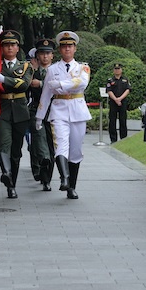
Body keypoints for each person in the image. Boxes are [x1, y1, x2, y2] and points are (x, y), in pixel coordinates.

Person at [35, 31, 91, 199]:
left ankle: (72, 186)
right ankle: (64, 178)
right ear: (59, 49)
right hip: (58, 110)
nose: (67, 49)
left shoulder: (83, 67)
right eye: (64, 46)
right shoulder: (52, 69)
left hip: (77, 110)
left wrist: (60, 84)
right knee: (60, 145)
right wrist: (39, 116)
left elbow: (81, 83)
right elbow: (46, 93)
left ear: (75, 49)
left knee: (75, 151)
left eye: (70, 46)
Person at [0, 30, 33, 199]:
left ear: (17, 47)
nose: (9, 48)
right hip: (2, 110)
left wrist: (3, 80)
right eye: (5, 44)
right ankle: (6, 174)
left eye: (12, 44)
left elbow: (23, 85)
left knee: (16, 151)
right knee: (4, 144)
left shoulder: (25, 66)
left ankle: (12, 183)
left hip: (20, 112)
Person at [28, 38, 57, 191]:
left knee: (51, 146)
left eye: (48, 53)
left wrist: (40, 83)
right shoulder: (31, 71)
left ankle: (47, 179)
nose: (45, 56)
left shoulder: (58, 70)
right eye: (42, 53)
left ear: (52, 55)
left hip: (53, 111)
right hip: (36, 110)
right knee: (39, 140)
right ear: (37, 56)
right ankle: (42, 163)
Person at [106, 63, 131, 143]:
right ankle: (113, 139)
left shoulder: (125, 79)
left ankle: (123, 138)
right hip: (113, 102)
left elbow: (128, 90)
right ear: (113, 70)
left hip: (123, 102)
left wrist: (120, 99)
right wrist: (116, 99)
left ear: (121, 70)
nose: (117, 70)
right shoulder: (110, 80)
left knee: (123, 120)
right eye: (115, 69)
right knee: (112, 121)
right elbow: (109, 91)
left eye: (118, 69)